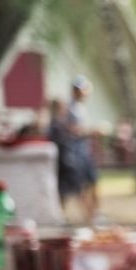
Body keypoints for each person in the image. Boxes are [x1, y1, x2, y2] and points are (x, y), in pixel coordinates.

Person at [49, 78, 99, 223]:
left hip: (82, 153)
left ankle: (92, 216)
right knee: (75, 188)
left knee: (87, 185)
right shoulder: (70, 109)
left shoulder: (80, 108)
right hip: (71, 155)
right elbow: (71, 131)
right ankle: (87, 218)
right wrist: (91, 132)